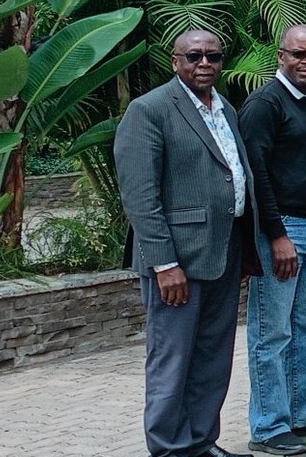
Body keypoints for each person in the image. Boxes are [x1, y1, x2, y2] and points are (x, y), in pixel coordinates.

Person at [117, 29, 256, 457]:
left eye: (213, 57)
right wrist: (163, 263)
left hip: (224, 249)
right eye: (194, 56)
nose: (204, 65)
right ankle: (168, 447)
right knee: (172, 359)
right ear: (174, 61)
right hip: (178, 259)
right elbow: (140, 197)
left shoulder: (225, 109)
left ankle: (200, 439)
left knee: (212, 356)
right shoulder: (150, 110)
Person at [241, 25, 306, 455]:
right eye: (300, 54)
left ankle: (302, 413)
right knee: (271, 331)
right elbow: (255, 174)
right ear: (281, 55)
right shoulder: (264, 104)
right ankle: (268, 425)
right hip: (281, 229)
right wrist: (276, 235)